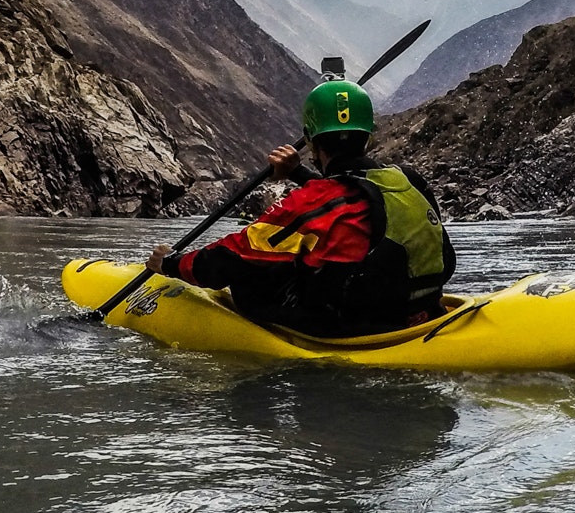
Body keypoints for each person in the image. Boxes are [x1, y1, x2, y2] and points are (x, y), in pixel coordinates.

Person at [146, 78, 456, 337]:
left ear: (309, 139)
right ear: (370, 137)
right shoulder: (408, 180)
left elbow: (235, 255)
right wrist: (298, 173)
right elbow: (350, 194)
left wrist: (173, 264)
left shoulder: (313, 202)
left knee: (250, 277)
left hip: (360, 325)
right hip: (421, 308)